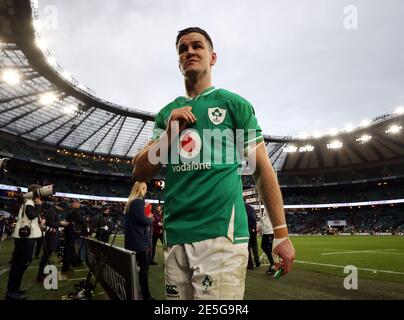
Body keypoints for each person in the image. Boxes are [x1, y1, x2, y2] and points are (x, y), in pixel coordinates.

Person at [132, 27, 295, 300]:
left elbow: (261, 169)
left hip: (222, 236)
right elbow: (139, 171)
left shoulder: (234, 105)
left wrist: (280, 233)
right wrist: (170, 134)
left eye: (197, 46)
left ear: (213, 57)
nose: (190, 52)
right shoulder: (166, 115)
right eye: (183, 49)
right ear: (178, 62)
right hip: (175, 238)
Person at [5, 184, 44, 300]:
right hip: (25, 239)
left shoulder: (28, 202)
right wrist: (40, 206)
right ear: (35, 193)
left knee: (20, 264)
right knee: (20, 264)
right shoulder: (29, 202)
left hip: (25, 238)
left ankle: (14, 289)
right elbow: (31, 215)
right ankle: (11, 292)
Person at [123, 182, 154, 300]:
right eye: (145, 188)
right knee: (144, 269)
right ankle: (146, 296)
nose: (146, 191)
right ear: (141, 189)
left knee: (133, 269)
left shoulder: (130, 203)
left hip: (131, 241)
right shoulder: (138, 201)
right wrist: (150, 218)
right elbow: (143, 221)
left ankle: (135, 293)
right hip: (139, 242)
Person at [37, 201, 69, 282]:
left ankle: (42, 273)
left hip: (52, 236)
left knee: (46, 256)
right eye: (63, 209)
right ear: (62, 207)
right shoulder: (52, 211)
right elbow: (51, 224)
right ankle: (40, 275)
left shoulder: (54, 211)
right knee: (45, 256)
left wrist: (59, 223)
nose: (63, 211)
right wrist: (61, 223)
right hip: (50, 237)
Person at [61, 199, 83, 275]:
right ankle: (65, 269)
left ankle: (66, 267)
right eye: (77, 203)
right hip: (72, 234)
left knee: (68, 251)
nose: (79, 204)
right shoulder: (74, 212)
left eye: (78, 203)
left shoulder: (71, 211)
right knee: (68, 251)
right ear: (73, 204)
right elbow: (81, 220)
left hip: (69, 233)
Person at [260, 208, 275, 274]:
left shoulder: (269, 205)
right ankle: (273, 263)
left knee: (271, 249)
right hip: (266, 232)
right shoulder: (265, 208)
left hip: (270, 231)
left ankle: (274, 265)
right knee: (264, 246)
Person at [245, 203, 260, 269]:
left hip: (247, 228)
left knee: (247, 246)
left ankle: (250, 264)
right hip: (254, 228)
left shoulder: (242, 207)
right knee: (254, 245)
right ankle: (257, 261)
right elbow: (255, 217)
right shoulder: (251, 207)